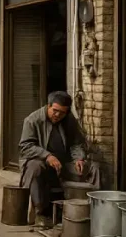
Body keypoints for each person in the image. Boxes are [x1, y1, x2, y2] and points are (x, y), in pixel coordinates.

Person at [18, 91, 87, 228]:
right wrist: (47, 156)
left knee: (92, 169)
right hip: (40, 161)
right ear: (48, 106)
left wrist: (79, 158)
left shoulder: (68, 119)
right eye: (55, 111)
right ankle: (40, 214)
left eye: (62, 113)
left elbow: (77, 143)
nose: (57, 115)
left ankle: (85, 212)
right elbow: (25, 147)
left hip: (64, 163)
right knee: (35, 167)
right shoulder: (32, 120)